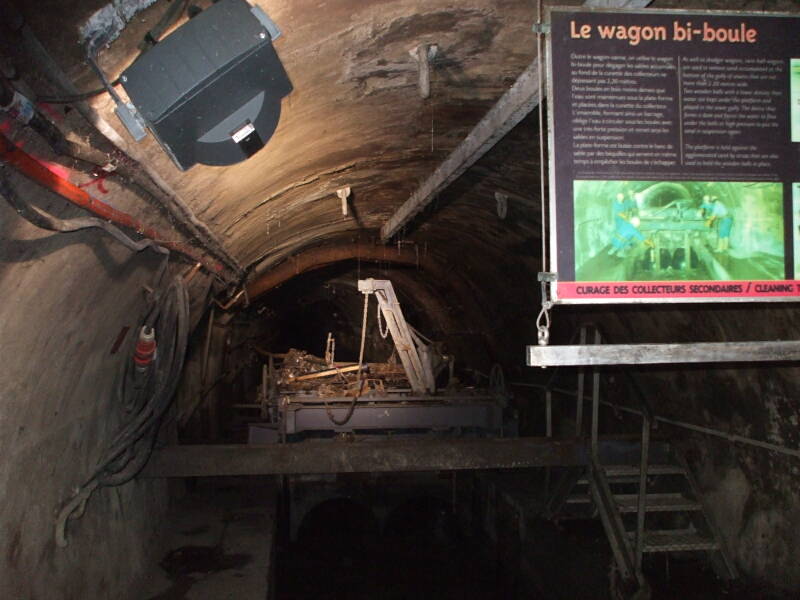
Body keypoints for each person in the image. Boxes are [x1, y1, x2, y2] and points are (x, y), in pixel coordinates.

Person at [608, 191, 652, 257]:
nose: (621, 198)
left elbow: (632, 204)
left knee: (621, 234)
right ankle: (621, 252)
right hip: (621, 241)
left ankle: (613, 248)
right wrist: (651, 244)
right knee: (629, 242)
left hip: (613, 239)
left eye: (621, 197)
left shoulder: (625, 222)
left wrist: (632, 198)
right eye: (619, 197)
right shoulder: (633, 230)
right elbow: (642, 238)